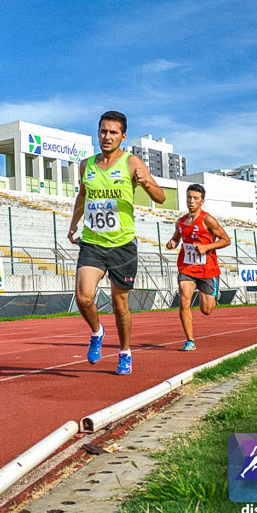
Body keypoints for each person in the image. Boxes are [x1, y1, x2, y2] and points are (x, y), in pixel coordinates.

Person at [67, 111, 165, 375]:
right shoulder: (86, 165)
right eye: (103, 131)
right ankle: (97, 332)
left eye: (113, 132)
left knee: (120, 304)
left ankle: (124, 352)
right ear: (98, 133)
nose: (107, 136)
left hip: (122, 244)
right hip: (93, 242)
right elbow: (83, 196)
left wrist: (145, 183)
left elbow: (161, 197)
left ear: (123, 136)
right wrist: (74, 223)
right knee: (83, 296)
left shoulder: (132, 163)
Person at [165, 184, 230, 351]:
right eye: (189, 197)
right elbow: (176, 238)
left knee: (206, 310)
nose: (191, 201)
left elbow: (226, 240)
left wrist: (207, 247)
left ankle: (213, 293)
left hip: (207, 269)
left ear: (202, 201)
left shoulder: (208, 220)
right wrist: (172, 242)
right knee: (184, 299)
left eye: (195, 198)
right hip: (187, 267)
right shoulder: (181, 221)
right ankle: (190, 340)